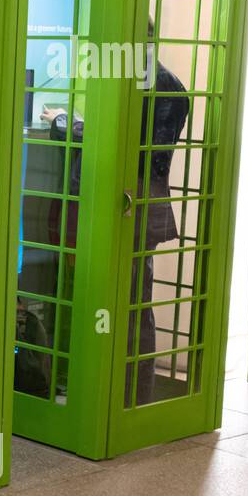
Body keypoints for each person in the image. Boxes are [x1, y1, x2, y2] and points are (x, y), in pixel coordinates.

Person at [41, 46, 190, 405]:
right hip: (124, 201)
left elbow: (116, 142)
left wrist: (64, 122)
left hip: (125, 202)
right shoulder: (157, 81)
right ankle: (116, 394)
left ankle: (125, 398)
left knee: (129, 301)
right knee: (127, 300)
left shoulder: (150, 84)